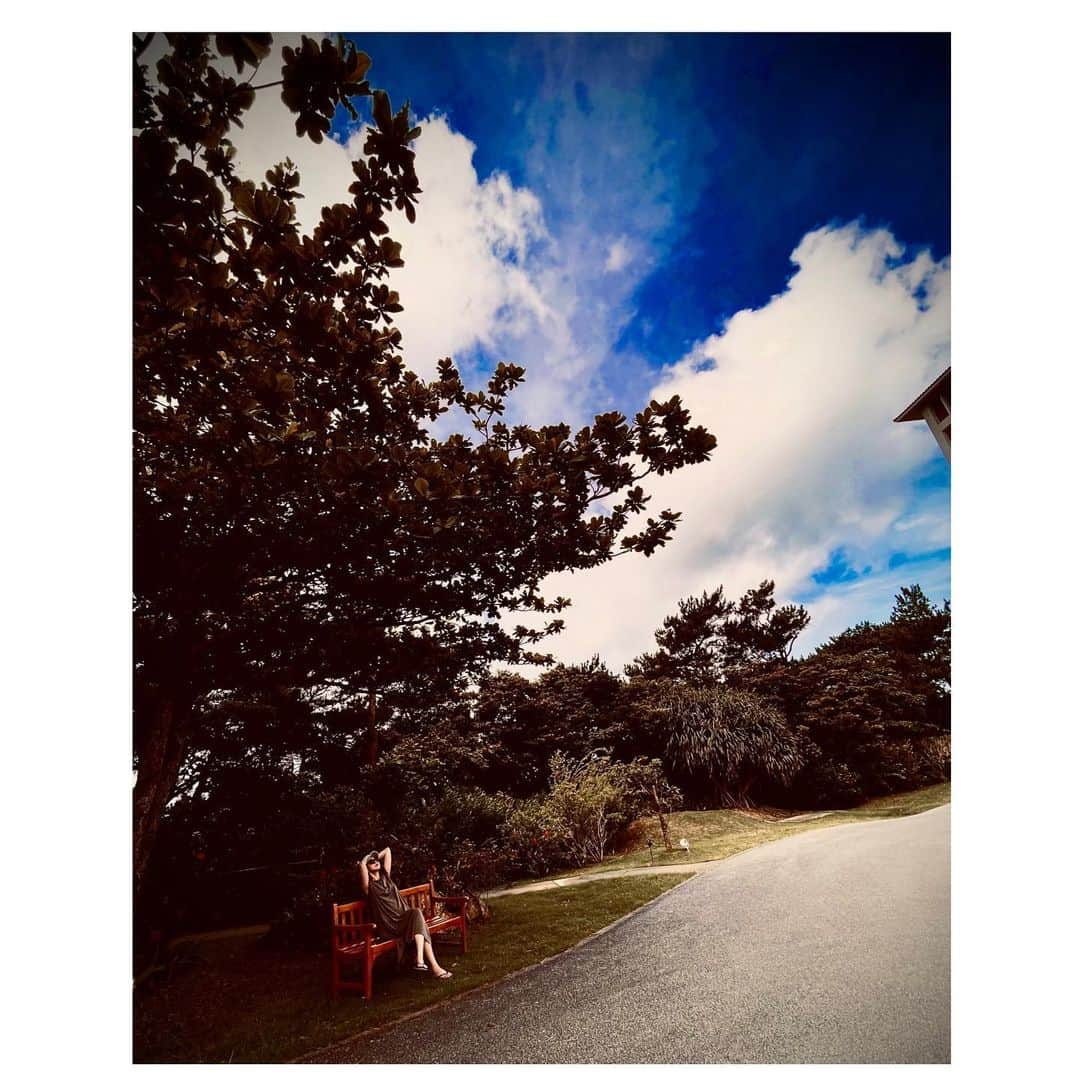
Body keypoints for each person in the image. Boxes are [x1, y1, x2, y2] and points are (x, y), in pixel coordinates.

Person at [360, 847, 453, 979]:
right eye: (371, 862)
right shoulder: (369, 887)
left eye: (376, 860)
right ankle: (432, 966)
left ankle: (422, 961)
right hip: (389, 925)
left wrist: (374, 855)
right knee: (418, 920)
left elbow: (387, 851)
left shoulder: (387, 877)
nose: (375, 861)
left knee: (416, 915)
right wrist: (366, 859)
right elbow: (362, 865)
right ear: (367, 868)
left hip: (402, 918)